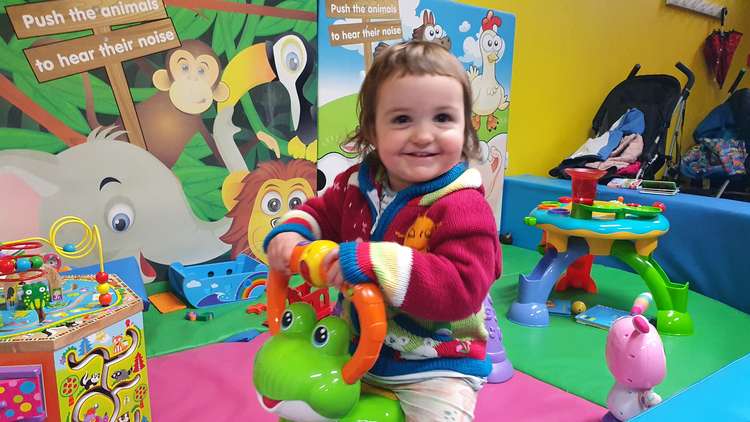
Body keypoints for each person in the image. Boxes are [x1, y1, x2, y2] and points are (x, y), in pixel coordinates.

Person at [264, 40, 502, 421]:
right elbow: (319, 212)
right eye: (402, 119)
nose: (424, 135)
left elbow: (462, 288)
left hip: (431, 365)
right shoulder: (356, 184)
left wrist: (372, 261)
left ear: (465, 126)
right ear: (372, 130)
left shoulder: (462, 207)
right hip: (355, 347)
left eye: (442, 118)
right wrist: (290, 235)